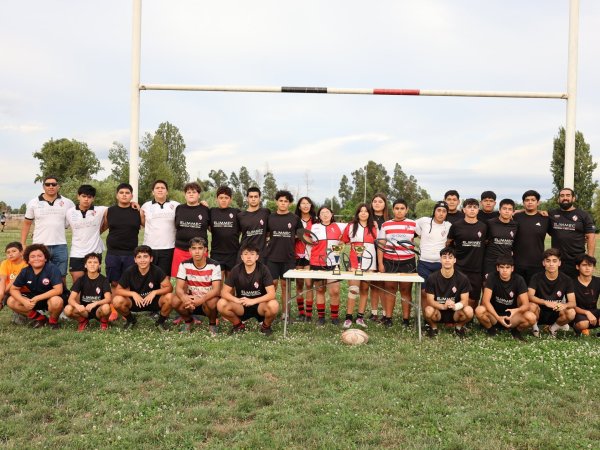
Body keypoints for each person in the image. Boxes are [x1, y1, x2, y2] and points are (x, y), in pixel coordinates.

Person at [217, 243, 279, 335]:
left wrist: (253, 301)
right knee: (221, 304)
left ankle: (265, 326)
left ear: (257, 257)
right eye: (246, 254)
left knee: (274, 305)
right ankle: (238, 325)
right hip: (242, 305)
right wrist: (236, 300)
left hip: (260, 305)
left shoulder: (263, 269)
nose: (249, 257)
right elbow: (224, 292)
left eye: (252, 254)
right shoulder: (236, 270)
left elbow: (272, 294)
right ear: (242, 257)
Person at [21, 176, 75, 281]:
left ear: (58, 186)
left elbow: (74, 221)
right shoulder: (33, 202)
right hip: (40, 245)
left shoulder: (68, 203)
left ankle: (61, 292)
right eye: (47, 184)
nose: (51, 186)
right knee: (40, 274)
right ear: (43, 186)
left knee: (61, 276)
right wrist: (22, 243)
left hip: (60, 245)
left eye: (54, 184)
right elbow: (27, 224)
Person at [112, 245, 174, 331]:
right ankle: (131, 320)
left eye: (145, 256)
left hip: (153, 301)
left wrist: (154, 292)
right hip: (136, 302)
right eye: (139, 257)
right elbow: (118, 290)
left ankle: (160, 322)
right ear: (135, 260)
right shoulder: (129, 271)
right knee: (117, 300)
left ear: (151, 259)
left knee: (170, 297)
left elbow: (169, 288)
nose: (142, 260)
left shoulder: (157, 270)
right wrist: (133, 294)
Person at [6, 244, 67, 329]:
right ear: (28, 260)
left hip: (51, 297)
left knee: (56, 301)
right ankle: (41, 319)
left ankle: (53, 322)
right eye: (33, 256)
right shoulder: (25, 271)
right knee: (11, 301)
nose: (36, 259)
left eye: (39, 256)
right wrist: (23, 301)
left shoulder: (52, 269)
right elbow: (13, 289)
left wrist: (37, 298)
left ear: (45, 258)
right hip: (35, 297)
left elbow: (58, 290)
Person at [475, 256, 536, 340]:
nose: (504, 270)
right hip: (494, 316)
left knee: (531, 318)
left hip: (511, 316)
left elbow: (526, 305)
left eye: (507, 267)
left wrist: (516, 310)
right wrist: (498, 317)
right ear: (497, 268)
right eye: (502, 267)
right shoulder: (492, 277)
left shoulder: (519, 279)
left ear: (512, 268)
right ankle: (491, 329)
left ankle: (516, 331)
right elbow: (486, 301)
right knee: (479, 310)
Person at [377, 198, 417, 328]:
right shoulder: (386, 225)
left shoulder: (413, 224)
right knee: (390, 290)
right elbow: (381, 245)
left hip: (408, 262)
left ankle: (406, 320)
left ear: (407, 210)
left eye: (402, 208)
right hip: (390, 262)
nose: (399, 211)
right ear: (393, 210)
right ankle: (388, 318)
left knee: (406, 290)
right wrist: (381, 263)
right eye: (397, 208)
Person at [264, 190, 302, 318]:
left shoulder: (295, 218)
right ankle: (270, 310)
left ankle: (286, 313)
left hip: (288, 257)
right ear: (276, 202)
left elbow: (300, 234)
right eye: (281, 200)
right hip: (272, 257)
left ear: (289, 203)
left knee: (286, 285)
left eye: (286, 201)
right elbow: (266, 233)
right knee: (272, 285)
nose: (283, 203)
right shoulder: (270, 217)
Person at [172, 238, 221, 335]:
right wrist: (184, 298)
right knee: (174, 300)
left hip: (207, 299)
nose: (197, 251)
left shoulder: (214, 265)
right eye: (194, 248)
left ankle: (212, 324)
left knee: (212, 302)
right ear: (190, 250)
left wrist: (201, 299)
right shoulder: (184, 264)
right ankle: (188, 321)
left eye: (200, 248)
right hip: (191, 300)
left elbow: (216, 290)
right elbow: (178, 288)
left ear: (205, 250)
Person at [307, 206, 347, 325]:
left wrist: (341, 244)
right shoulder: (314, 227)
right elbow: (304, 235)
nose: (325, 214)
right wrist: (310, 243)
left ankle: (334, 317)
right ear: (319, 216)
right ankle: (321, 317)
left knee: (335, 291)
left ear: (332, 214)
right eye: (322, 213)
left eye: (327, 212)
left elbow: (351, 228)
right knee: (320, 290)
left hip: (333, 263)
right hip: (317, 262)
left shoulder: (339, 226)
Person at [340, 203, 378, 328]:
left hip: (370, 263)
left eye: (366, 211)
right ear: (357, 213)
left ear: (369, 213)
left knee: (364, 289)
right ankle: (348, 317)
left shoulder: (374, 227)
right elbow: (342, 241)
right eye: (361, 211)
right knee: (353, 289)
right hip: (354, 263)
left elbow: (379, 244)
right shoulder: (351, 226)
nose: (363, 213)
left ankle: (360, 317)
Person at [446, 198, 487, 309]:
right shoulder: (456, 226)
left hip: (476, 269)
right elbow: (448, 243)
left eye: (475, 207)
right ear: (464, 209)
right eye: (469, 207)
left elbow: (486, 243)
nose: (472, 209)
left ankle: (470, 317)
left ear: (478, 210)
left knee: (473, 298)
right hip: (459, 267)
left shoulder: (483, 227)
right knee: (457, 296)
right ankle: (455, 316)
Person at [423, 247, 473, 338]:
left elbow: (465, 301)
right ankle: (434, 328)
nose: (447, 260)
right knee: (428, 310)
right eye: (444, 257)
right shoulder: (432, 278)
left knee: (469, 311)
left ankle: (458, 328)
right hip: (438, 311)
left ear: (454, 260)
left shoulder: (463, 278)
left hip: (455, 312)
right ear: (440, 259)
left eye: (450, 257)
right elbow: (430, 301)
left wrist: (455, 306)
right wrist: (443, 306)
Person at [528, 248, 576, 337]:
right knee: (531, 306)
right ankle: (535, 328)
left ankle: (553, 328)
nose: (551, 264)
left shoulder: (567, 279)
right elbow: (530, 296)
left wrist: (564, 305)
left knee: (571, 312)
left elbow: (573, 302)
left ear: (559, 263)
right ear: (543, 263)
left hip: (556, 311)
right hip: (539, 311)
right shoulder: (536, 277)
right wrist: (545, 302)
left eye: (554, 261)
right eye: (548, 261)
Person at [548, 188, 596, 278]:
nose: (565, 198)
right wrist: (519, 211)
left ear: (573, 198)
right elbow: (536, 213)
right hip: (557, 260)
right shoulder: (551, 214)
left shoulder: (583, 215)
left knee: (576, 285)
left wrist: (589, 259)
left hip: (577, 259)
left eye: (568, 195)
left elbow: (591, 237)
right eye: (562, 196)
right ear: (558, 199)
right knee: (559, 285)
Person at [415, 201, 452, 312]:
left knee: (438, 292)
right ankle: (426, 317)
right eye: (438, 210)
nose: (441, 213)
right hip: (424, 263)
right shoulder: (424, 221)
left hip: (440, 264)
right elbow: (410, 227)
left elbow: (450, 240)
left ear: (447, 213)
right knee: (424, 292)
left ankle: (438, 315)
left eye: (444, 211)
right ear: (434, 211)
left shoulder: (448, 225)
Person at [66, 184, 107, 284]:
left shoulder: (100, 210)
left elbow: (117, 210)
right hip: (77, 251)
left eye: (89, 197)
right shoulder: (69, 212)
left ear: (93, 198)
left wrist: (132, 203)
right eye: (83, 196)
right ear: (78, 196)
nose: (86, 199)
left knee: (93, 281)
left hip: (94, 251)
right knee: (77, 281)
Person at [104, 183, 142, 287]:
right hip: (113, 253)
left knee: (129, 283)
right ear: (117, 195)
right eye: (121, 192)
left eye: (127, 193)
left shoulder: (138, 212)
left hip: (131, 253)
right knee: (114, 283)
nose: (124, 195)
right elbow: (103, 228)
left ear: (131, 196)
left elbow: (149, 226)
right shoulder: (109, 211)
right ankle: (115, 298)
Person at [63, 253, 112, 331]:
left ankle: (104, 322)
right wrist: (77, 306)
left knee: (106, 307)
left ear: (99, 265)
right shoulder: (81, 280)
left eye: (95, 262)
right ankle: (83, 321)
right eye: (89, 262)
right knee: (67, 309)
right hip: (84, 310)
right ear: (85, 265)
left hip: (99, 310)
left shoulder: (104, 280)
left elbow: (108, 299)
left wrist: (95, 303)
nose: (92, 264)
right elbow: (70, 299)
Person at [141, 180, 179, 276]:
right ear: (153, 192)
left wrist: (202, 204)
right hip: (150, 247)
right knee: (149, 276)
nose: (160, 190)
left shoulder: (176, 205)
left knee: (165, 278)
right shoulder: (145, 206)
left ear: (167, 191)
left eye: (163, 188)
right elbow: (143, 222)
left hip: (168, 248)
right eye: (157, 188)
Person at [172, 182, 211, 276]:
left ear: (199, 195)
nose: (191, 194)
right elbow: (176, 225)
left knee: (200, 279)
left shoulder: (205, 209)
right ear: (185, 195)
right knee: (181, 279)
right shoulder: (179, 208)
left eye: (194, 192)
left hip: (199, 250)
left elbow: (210, 228)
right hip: (181, 250)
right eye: (188, 192)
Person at [513, 190, 549, 284]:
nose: (530, 202)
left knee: (534, 291)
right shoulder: (515, 217)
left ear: (538, 202)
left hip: (537, 264)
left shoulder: (545, 218)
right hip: (517, 264)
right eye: (527, 200)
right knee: (518, 291)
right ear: (523, 203)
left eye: (533, 200)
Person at [209, 186, 240, 281]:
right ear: (217, 199)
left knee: (230, 284)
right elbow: (208, 227)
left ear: (230, 199)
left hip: (233, 253)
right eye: (221, 197)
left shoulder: (236, 212)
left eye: (226, 198)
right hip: (216, 253)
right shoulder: (211, 212)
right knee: (217, 282)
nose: (223, 200)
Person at [482, 198, 518, 279]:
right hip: (490, 261)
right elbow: (484, 240)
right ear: (499, 210)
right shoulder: (490, 223)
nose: (507, 211)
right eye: (504, 208)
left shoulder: (515, 225)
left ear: (513, 212)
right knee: (487, 284)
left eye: (510, 209)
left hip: (506, 262)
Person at [293, 196, 316, 321]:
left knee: (308, 284)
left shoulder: (316, 221)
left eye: (308, 203)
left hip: (310, 255)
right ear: (299, 206)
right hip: (297, 254)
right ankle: (301, 312)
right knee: (299, 284)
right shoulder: (294, 219)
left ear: (311, 205)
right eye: (303, 203)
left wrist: (303, 237)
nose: (305, 205)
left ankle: (309, 314)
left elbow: (316, 239)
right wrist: (297, 236)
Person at [368, 193, 390, 322]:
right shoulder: (367, 218)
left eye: (380, 201)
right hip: (370, 255)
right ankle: (374, 313)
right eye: (375, 201)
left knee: (384, 286)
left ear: (385, 204)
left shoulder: (389, 220)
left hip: (385, 256)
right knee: (374, 285)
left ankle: (386, 313)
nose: (377, 203)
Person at [237, 187, 271, 258]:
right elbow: (237, 234)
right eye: (251, 197)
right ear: (247, 198)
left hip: (261, 254)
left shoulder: (266, 212)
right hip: (245, 253)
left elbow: (269, 231)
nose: (253, 199)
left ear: (260, 198)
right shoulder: (240, 215)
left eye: (256, 196)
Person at [572, 254, 600, 336]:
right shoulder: (571, 283)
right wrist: (587, 312)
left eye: (590, 265)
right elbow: (572, 305)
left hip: (594, 311)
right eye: (584, 265)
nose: (587, 268)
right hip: (579, 312)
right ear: (577, 267)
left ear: (593, 268)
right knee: (583, 324)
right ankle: (577, 329)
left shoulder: (598, 281)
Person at [0, 242, 27, 323]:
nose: (10, 254)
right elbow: (2, 280)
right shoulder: (5, 263)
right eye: (8, 252)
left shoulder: (25, 264)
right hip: (7, 289)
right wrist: (1, 294)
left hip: (21, 291)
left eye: (14, 251)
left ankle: (36, 315)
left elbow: (14, 281)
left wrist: (4, 293)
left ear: (21, 252)